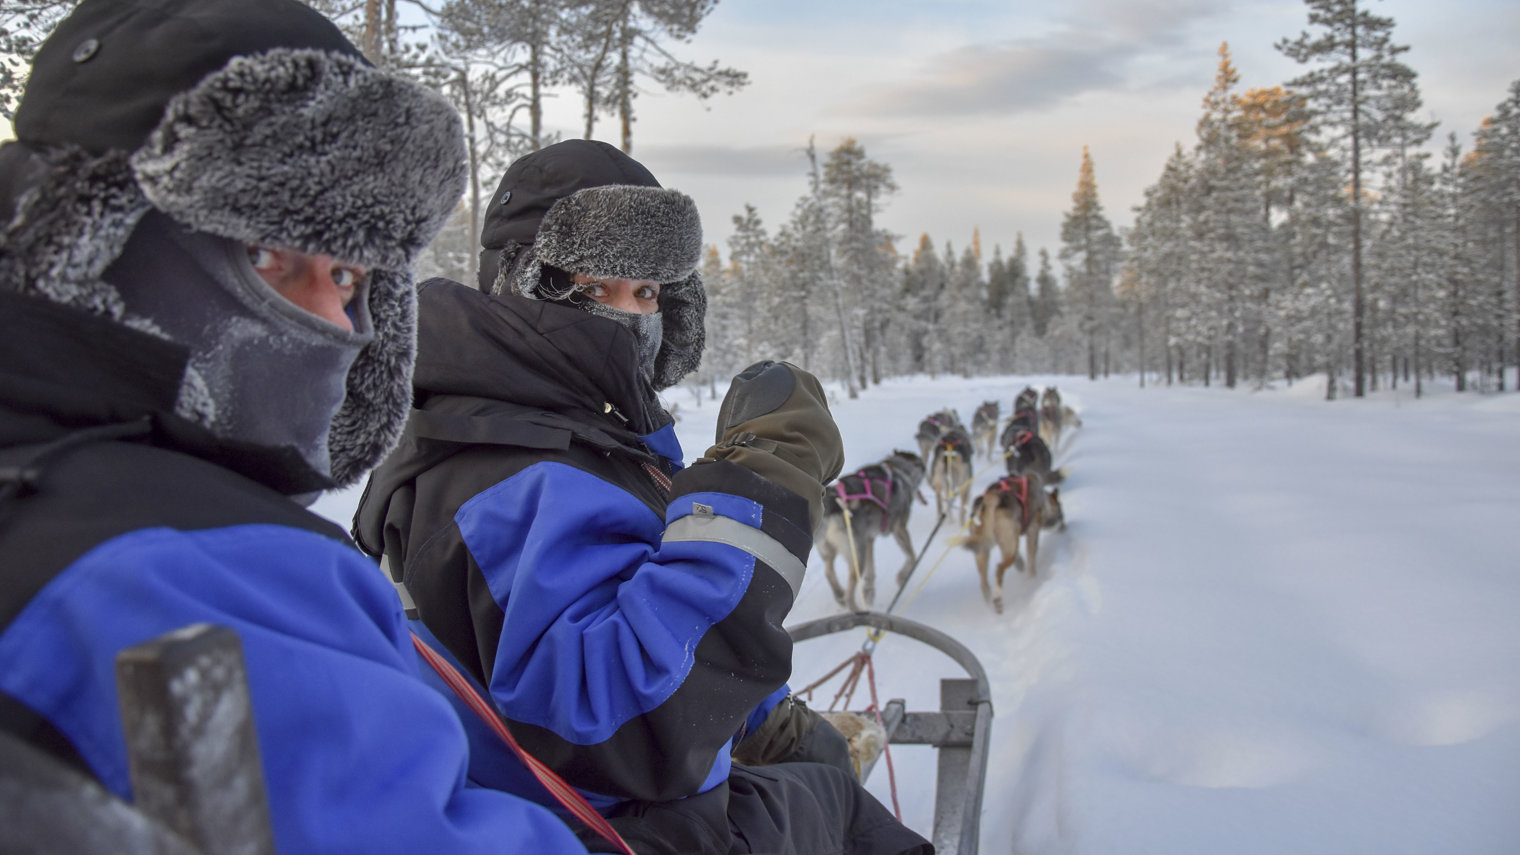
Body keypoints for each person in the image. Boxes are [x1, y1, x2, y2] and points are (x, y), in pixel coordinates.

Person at [0, 1, 589, 853]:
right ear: (92, 240)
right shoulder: (189, 571)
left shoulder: (63, 502)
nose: (341, 325)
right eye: (271, 256)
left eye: (349, 274)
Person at [353, 138, 932, 855]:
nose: (631, 316)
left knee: (814, 773)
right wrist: (764, 476)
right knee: (841, 809)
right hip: (597, 829)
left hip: (591, 808)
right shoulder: (504, 476)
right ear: (525, 282)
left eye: (649, 290)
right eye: (599, 288)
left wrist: (769, 721)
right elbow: (634, 725)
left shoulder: (544, 435)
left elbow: (638, 614)